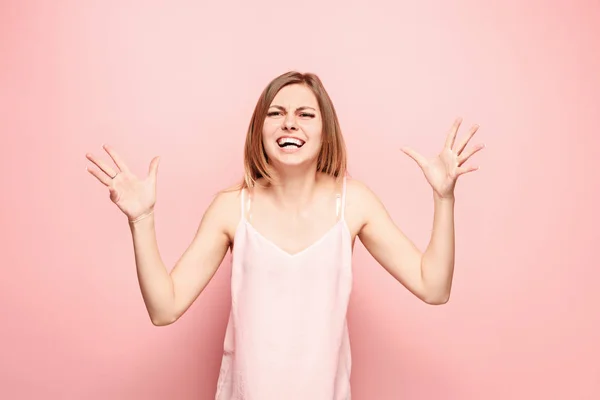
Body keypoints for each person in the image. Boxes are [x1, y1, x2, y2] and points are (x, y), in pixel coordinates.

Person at [85, 71, 483, 399]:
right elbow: (164, 308)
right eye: (276, 113)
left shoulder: (354, 203)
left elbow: (434, 287)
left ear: (325, 131)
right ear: (260, 130)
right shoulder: (231, 208)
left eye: (305, 114)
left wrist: (443, 197)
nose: (289, 122)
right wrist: (142, 219)